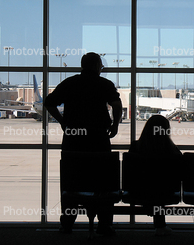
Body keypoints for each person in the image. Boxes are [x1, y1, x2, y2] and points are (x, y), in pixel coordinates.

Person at [44, 52, 122, 235]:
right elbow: (117, 105)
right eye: (101, 66)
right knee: (103, 183)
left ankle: (67, 223)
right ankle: (104, 224)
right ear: (96, 66)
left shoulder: (69, 83)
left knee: (71, 182)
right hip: (98, 140)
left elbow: (49, 103)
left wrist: (63, 122)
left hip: (73, 140)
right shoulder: (104, 84)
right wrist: (115, 125)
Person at [129, 114, 181, 236]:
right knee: (158, 187)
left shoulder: (135, 147)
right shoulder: (171, 150)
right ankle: (160, 225)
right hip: (165, 191)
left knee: (151, 186)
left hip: (139, 190)